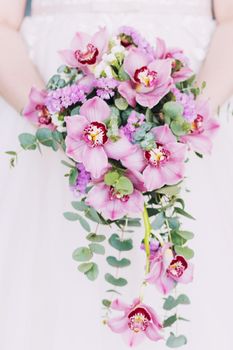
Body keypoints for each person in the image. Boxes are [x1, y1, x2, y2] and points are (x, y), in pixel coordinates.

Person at [0, 1, 232, 349]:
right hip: (53, 90)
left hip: (188, 89)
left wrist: (186, 121)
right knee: (54, 281)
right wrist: (59, 120)